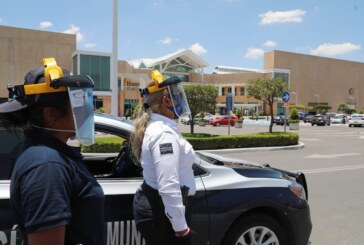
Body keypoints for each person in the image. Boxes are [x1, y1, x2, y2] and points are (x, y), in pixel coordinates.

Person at [0, 58, 105, 245]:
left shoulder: (49, 154)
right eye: (78, 104)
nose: (86, 111)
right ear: (51, 114)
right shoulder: (47, 165)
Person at [131, 70, 196, 245]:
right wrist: (181, 228)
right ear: (166, 100)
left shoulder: (159, 126)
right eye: (177, 95)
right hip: (161, 213)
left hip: (160, 208)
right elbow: (168, 185)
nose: (180, 99)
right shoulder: (163, 133)